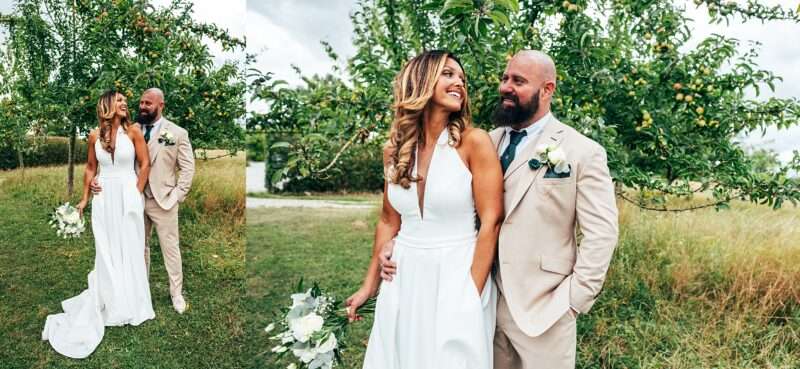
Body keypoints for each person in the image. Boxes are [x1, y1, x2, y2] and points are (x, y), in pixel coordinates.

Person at [380, 50, 620, 369]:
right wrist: (402, 240)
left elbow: (602, 234)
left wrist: (574, 301)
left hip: (544, 308)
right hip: (483, 301)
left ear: (547, 89)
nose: (506, 87)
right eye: (504, 78)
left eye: (518, 81)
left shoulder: (582, 151)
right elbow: (448, 202)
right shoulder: (481, 142)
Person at [345, 50, 505, 369]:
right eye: (448, 74)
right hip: (403, 275)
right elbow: (389, 221)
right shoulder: (393, 150)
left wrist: (470, 293)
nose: (459, 82)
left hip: (458, 273)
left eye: (462, 77)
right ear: (421, 81)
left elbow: (492, 221)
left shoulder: (475, 142)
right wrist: (369, 285)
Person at [42, 90, 155, 358]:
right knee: (106, 250)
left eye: (125, 101)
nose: (125, 104)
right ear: (107, 106)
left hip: (128, 195)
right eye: (119, 101)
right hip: (104, 198)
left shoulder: (134, 133)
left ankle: (134, 302)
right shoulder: (94, 136)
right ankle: (111, 301)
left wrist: (136, 192)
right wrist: (84, 199)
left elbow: (145, 163)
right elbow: (91, 169)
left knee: (130, 246)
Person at [91, 88, 195, 314]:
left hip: (164, 200)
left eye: (148, 103)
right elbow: (110, 161)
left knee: (170, 248)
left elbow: (188, 169)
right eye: (141, 103)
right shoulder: (130, 130)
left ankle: (176, 294)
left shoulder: (177, 133)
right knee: (137, 246)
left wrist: (177, 195)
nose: (142, 107)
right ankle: (141, 290)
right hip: (133, 199)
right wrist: (96, 181)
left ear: (161, 105)